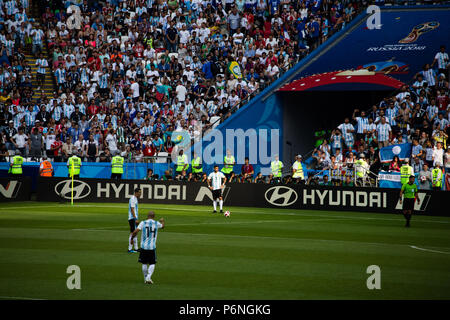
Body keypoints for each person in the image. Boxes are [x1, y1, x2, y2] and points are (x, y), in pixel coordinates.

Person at [130, 211, 165, 284]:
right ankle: (148, 277)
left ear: (147, 216)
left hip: (143, 247)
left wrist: (132, 238)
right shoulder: (156, 223)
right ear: (154, 216)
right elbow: (162, 226)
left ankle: (146, 277)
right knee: (152, 263)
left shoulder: (143, 222)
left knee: (144, 263)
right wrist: (162, 221)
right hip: (152, 247)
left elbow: (135, 231)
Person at [128, 188, 141, 253]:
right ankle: (130, 249)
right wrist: (135, 218)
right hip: (132, 218)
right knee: (133, 233)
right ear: (136, 192)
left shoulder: (135, 198)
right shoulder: (133, 199)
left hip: (134, 218)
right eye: (139, 192)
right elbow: (132, 209)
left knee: (135, 233)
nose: (140, 194)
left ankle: (136, 248)